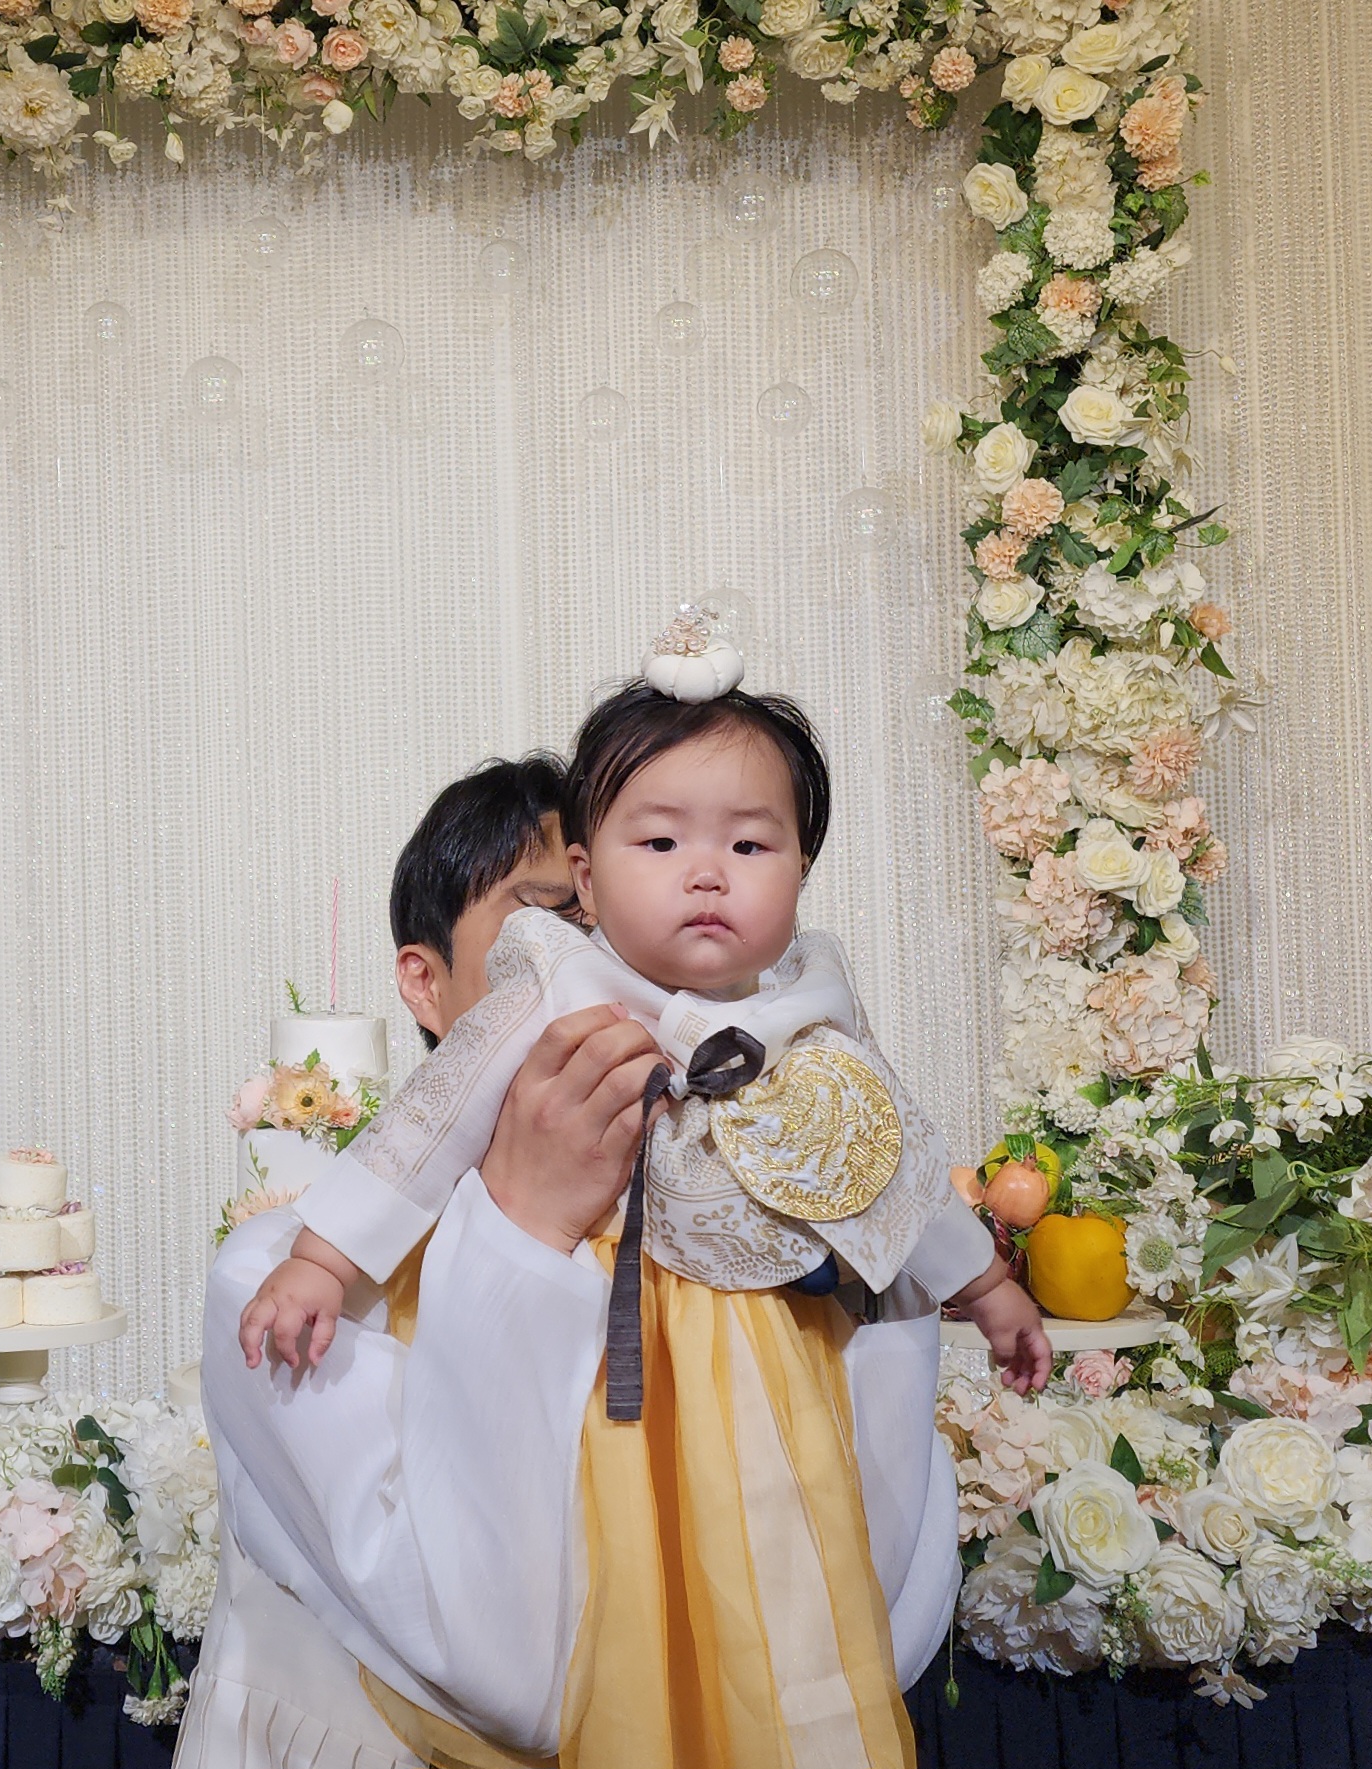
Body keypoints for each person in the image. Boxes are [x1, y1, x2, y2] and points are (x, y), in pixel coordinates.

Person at [216, 628, 1047, 1767]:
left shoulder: (813, 1014)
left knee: (776, 1590)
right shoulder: (556, 992)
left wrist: (985, 1284)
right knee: (632, 1589)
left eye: (749, 843)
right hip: (618, 1378)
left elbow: (893, 1166)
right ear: (587, 883)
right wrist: (322, 1258)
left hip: (770, 1364)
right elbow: (424, 1126)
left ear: (802, 868)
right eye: (658, 842)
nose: (705, 872)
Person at [175, 755, 656, 1769]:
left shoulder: (709, 1266)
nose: (594, 973)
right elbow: (504, 1673)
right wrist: (527, 1222)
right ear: (424, 982)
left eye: (619, 933)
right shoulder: (276, 1287)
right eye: (550, 922)